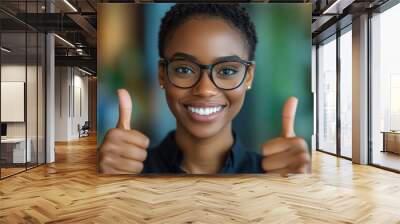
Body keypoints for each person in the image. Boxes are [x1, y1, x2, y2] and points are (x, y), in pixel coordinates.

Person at [98, 3, 310, 175]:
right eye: (184, 69)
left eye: (227, 71)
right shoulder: (126, 170)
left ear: (249, 76)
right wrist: (103, 183)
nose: (205, 89)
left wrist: (298, 191)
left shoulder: (278, 174)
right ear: (162, 74)